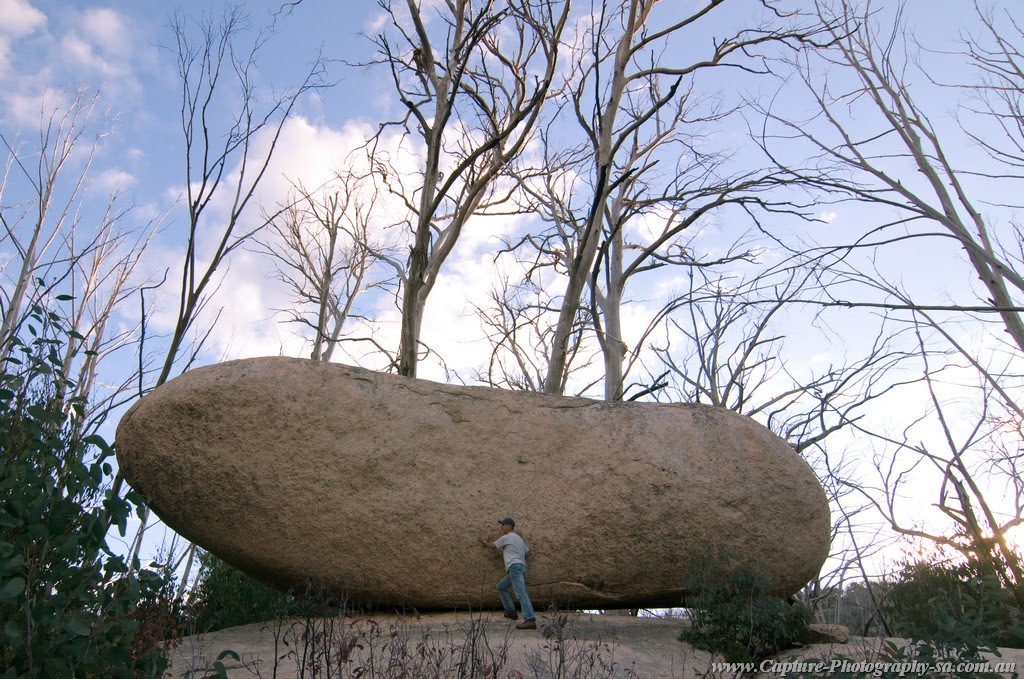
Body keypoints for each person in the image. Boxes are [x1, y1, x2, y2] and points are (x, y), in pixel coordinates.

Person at [476, 517, 537, 630]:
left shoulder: (506, 537)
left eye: (503, 524)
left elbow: (492, 546)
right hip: (521, 567)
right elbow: (528, 552)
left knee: (521, 593)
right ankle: (511, 612)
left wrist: (482, 540)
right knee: (501, 587)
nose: (501, 527)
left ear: (509, 526)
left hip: (514, 567)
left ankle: (530, 620)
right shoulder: (519, 539)